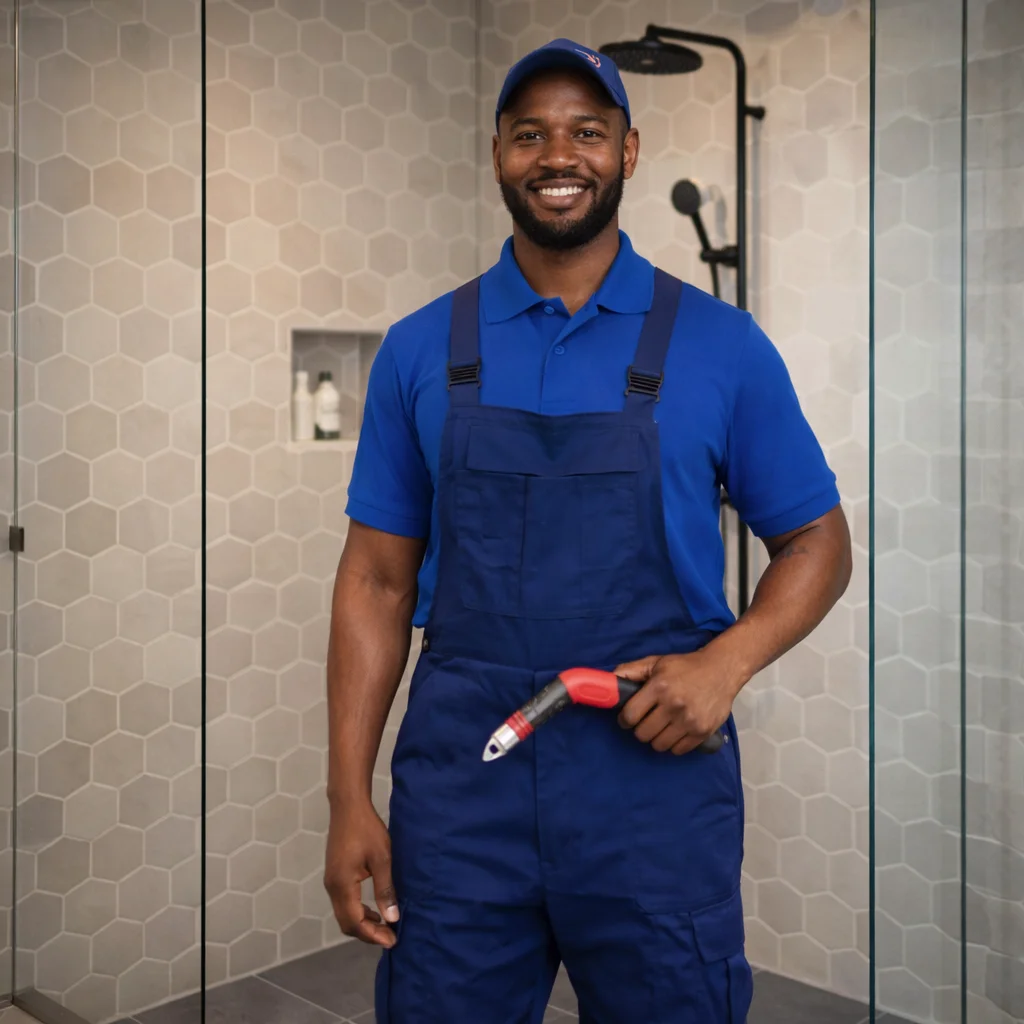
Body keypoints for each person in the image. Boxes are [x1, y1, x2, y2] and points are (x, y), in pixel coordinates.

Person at [323, 37, 852, 1024]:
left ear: (629, 150)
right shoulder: (420, 348)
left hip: (650, 786)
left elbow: (818, 540)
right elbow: (375, 582)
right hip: (464, 784)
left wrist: (726, 662)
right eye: (530, 134)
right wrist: (346, 795)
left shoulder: (721, 345)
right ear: (496, 155)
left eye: (585, 132)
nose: (556, 156)